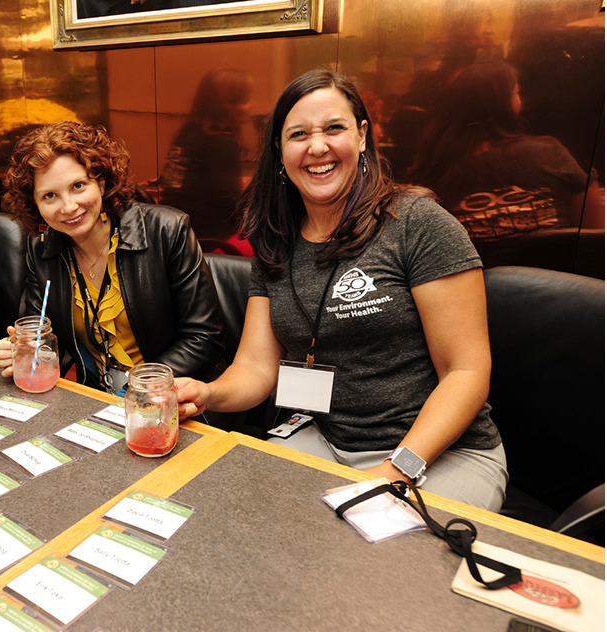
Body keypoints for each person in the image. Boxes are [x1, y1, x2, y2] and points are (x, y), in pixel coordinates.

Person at [175, 70, 507, 511]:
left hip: (439, 454)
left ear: (363, 136)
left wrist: (396, 469)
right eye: (298, 134)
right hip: (324, 440)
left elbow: (466, 372)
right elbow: (256, 367)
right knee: (237, 517)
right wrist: (209, 393)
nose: (317, 147)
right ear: (279, 150)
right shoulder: (277, 241)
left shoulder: (418, 225)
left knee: (369, 564)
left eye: (334, 128)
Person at [0, 122, 225, 396]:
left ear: (101, 182)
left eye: (78, 186)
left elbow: (205, 339)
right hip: (98, 398)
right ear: (35, 203)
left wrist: (135, 388)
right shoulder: (43, 248)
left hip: (177, 396)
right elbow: (38, 333)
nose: (68, 207)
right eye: (50, 196)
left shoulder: (167, 230)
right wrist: (21, 351)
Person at [406, 61, 591, 266]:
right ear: (506, 104)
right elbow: (593, 238)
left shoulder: (431, 172)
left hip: (478, 294)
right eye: (516, 94)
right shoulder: (550, 153)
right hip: (565, 290)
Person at [160, 68, 254, 249]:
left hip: (175, 232)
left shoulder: (189, 132)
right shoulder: (220, 143)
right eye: (246, 100)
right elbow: (231, 208)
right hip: (208, 238)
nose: (253, 104)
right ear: (227, 105)